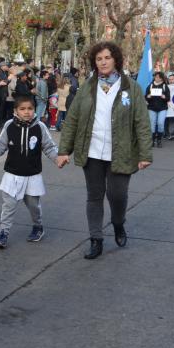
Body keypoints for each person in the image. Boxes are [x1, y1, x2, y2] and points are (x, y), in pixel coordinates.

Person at [56, 41, 152, 260]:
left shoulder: (131, 88)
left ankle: (118, 223)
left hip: (121, 151)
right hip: (92, 151)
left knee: (117, 195)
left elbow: (142, 123)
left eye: (107, 57)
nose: (103, 62)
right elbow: (72, 119)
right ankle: (96, 239)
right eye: (99, 59)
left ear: (115, 59)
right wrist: (64, 151)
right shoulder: (87, 87)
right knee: (94, 196)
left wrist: (145, 154)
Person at [0, 94, 60, 249]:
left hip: (32, 176)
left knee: (34, 206)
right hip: (12, 175)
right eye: (22, 109)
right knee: (8, 206)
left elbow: (49, 147)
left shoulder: (40, 127)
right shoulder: (9, 125)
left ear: (34, 110)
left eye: (30, 108)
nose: (26, 112)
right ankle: (3, 233)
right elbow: (0, 145)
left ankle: (38, 227)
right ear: (15, 110)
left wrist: (58, 159)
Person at [145, 71, 170, 148]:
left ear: (161, 78)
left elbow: (168, 98)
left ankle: (159, 140)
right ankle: (152, 140)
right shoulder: (150, 86)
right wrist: (148, 96)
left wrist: (164, 97)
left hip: (162, 108)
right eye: (155, 77)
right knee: (152, 125)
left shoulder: (165, 86)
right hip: (152, 108)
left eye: (158, 77)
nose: (156, 78)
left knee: (160, 123)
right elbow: (146, 96)